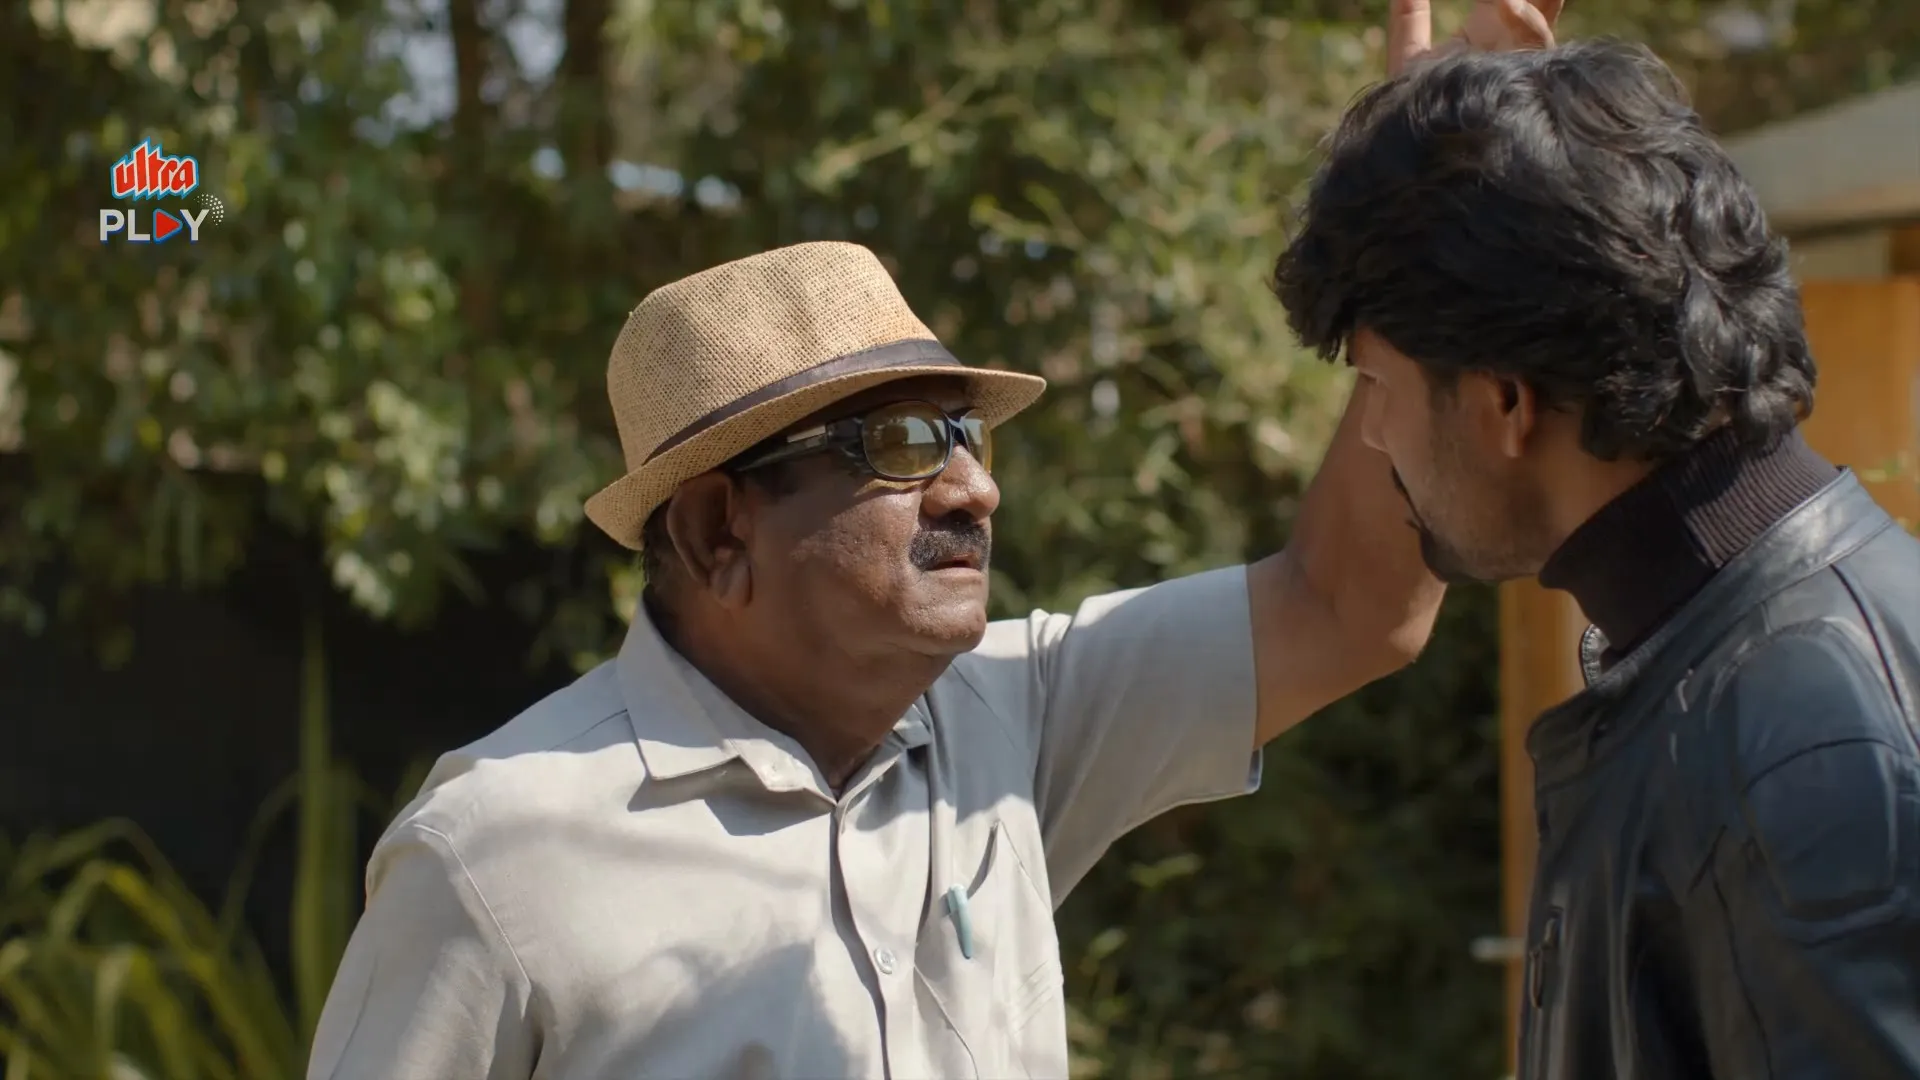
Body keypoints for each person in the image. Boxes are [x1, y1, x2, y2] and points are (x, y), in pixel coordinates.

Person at [302, 5, 1563, 1075]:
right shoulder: (498, 855)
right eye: (902, 446)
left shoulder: (1009, 722)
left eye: (969, 435)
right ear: (716, 527)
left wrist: (1429, 230)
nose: (974, 490)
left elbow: (1353, 608)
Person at [1274, 36, 1920, 1080]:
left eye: (1378, 389)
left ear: (1504, 403)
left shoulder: (1806, 728)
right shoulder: (1716, 656)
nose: (1377, 438)